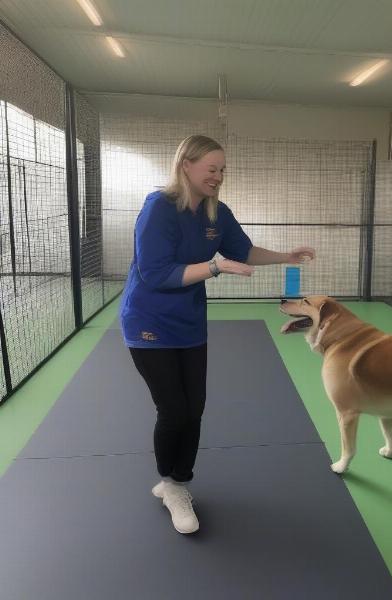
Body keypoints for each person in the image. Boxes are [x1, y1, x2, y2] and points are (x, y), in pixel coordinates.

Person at [119, 135, 315, 534]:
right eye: (212, 169)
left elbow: (241, 251)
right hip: (148, 322)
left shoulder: (216, 213)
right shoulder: (158, 208)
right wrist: (214, 268)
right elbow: (155, 273)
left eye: (223, 170)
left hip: (190, 322)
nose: (219, 176)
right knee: (173, 409)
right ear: (186, 166)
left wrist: (285, 257)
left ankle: (178, 481)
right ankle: (171, 484)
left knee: (196, 408)